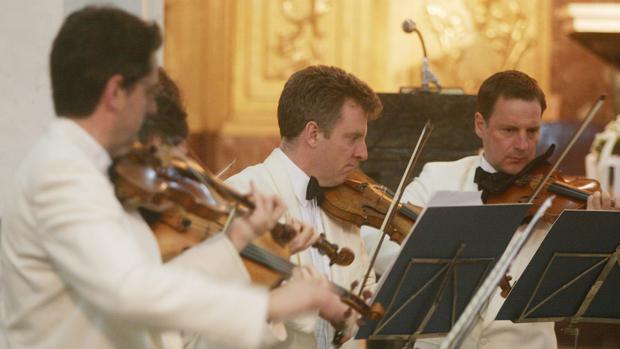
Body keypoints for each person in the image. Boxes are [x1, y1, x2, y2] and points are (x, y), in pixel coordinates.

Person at [0, 7, 345, 349]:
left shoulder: (89, 169)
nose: (152, 109)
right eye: (148, 93)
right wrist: (272, 305)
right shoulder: (61, 173)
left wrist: (235, 240)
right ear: (116, 93)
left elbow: (155, 279)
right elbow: (131, 291)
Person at [362, 70, 617, 349]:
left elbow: (585, 286)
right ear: (480, 125)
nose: (522, 145)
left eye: (532, 131)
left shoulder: (561, 200)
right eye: (509, 130)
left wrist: (600, 233)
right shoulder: (437, 178)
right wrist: (440, 259)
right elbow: (375, 238)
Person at [226, 64, 384, 349]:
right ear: (313, 134)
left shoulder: (347, 203)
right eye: (353, 138)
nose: (363, 153)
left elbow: (363, 297)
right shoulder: (244, 195)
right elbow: (227, 318)